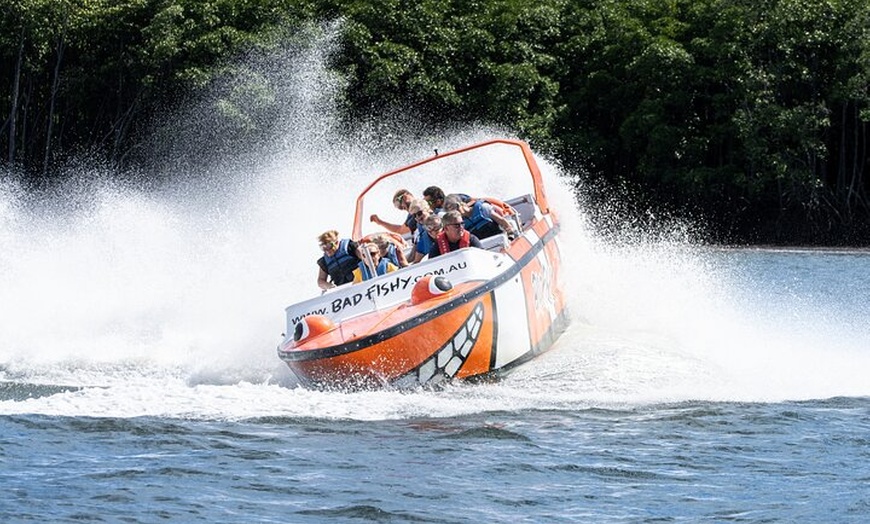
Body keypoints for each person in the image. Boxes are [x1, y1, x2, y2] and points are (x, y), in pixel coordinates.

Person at [443, 194, 517, 240]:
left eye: (455, 208)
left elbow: (502, 221)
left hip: (499, 240)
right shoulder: (460, 223)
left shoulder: (483, 208)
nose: (455, 213)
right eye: (451, 212)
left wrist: (510, 235)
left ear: (460, 204)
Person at [407, 199, 435, 264]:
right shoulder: (418, 233)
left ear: (427, 210)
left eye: (419, 213)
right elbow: (413, 255)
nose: (417, 217)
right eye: (414, 215)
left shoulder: (441, 221)